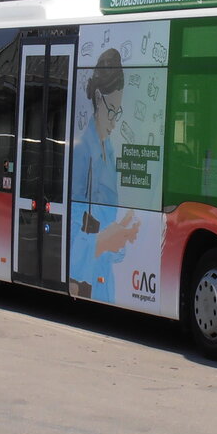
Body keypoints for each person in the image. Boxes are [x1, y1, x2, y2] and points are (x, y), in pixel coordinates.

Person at [69, 48, 139, 301]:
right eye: (112, 111)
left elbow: (102, 226)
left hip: (103, 283)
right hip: (84, 282)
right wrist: (105, 241)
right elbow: (70, 237)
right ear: (98, 98)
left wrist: (122, 235)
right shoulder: (81, 152)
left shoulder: (108, 151)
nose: (115, 120)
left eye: (118, 113)